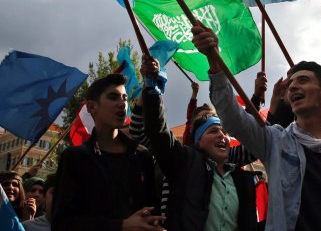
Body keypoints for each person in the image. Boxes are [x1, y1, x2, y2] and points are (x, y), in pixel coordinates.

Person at [191, 25, 321, 231]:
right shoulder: (275, 141)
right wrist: (214, 61)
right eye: (291, 84)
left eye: (303, 80)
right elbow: (233, 118)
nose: (293, 86)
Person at [140, 56, 258, 231]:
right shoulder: (185, 164)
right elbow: (158, 132)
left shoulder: (243, 180)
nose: (222, 136)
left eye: (225, 132)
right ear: (198, 142)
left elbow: (259, 143)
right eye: (213, 131)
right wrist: (151, 85)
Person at [52, 74, 163, 231]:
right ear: (91, 107)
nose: (122, 104)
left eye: (124, 98)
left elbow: (154, 210)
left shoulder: (142, 155)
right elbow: (62, 223)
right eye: (113, 97)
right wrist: (121, 226)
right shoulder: (75, 158)